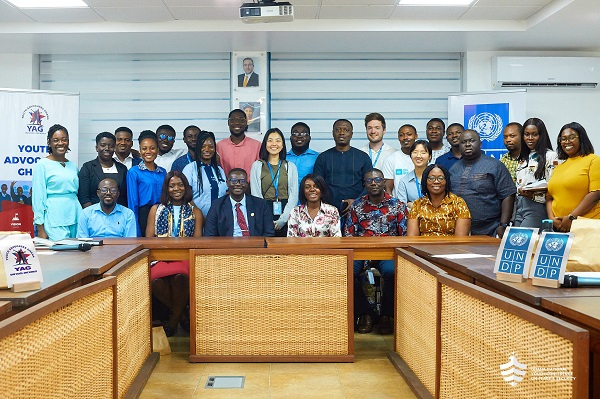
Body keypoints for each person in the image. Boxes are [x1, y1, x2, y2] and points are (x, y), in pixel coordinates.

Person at [344, 168, 408, 334]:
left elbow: (405, 235)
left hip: (389, 253)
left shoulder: (397, 206)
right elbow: (348, 235)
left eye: (378, 180)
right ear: (364, 184)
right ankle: (365, 313)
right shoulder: (357, 206)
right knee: (347, 271)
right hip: (360, 252)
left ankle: (386, 315)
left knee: (392, 272)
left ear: (384, 182)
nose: (374, 183)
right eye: (369, 181)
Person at [146, 171, 203, 337]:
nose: (176, 188)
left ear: (186, 188)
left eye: (180, 185)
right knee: (155, 281)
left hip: (185, 257)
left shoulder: (195, 212)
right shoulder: (156, 210)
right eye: (172, 186)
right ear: (166, 189)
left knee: (180, 278)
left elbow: (197, 242)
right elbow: (149, 239)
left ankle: (172, 321)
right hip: (161, 258)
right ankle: (182, 316)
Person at [449, 130, 516, 237]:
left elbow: (508, 195)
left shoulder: (495, 165)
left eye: (472, 141)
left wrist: (503, 224)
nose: (467, 144)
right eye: (463, 142)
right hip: (458, 229)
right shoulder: (453, 169)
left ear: (480, 144)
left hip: (490, 229)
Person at [547, 122, 600, 232]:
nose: (567, 142)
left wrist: (572, 217)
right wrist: (552, 218)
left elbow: (595, 194)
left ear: (581, 139)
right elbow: (549, 197)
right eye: (563, 139)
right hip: (560, 227)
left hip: (586, 226)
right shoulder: (559, 167)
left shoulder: (593, 160)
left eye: (572, 137)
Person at [32, 124, 82, 241]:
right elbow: (38, 197)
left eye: (64, 140)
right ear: (49, 142)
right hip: (54, 216)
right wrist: (40, 227)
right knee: (60, 254)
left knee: (76, 255)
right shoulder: (42, 165)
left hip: (75, 214)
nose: (61, 143)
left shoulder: (72, 166)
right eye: (56, 140)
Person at [313, 119, 372, 216]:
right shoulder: (323, 157)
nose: (342, 133)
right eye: (338, 130)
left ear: (351, 134)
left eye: (346, 130)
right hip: (328, 212)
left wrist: (356, 202)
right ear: (333, 133)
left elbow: (369, 184)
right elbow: (317, 185)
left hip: (358, 210)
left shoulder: (363, 157)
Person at [250, 128, 298, 236]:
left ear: (282, 145)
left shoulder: (290, 166)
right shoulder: (257, 165)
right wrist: (266, 219)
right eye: (270, 140)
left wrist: (283, 220)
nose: (274, 144)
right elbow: (256, 194)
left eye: (278, 140)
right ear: (265, 144)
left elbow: (294, 196)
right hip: (263, 210)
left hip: (286, 211)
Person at [514, 118, 558, 229]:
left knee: (523, 241)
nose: (530, 138)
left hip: (537, 206)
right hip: (520, 206)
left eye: (534, 134)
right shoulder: (523, 158)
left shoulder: (550, 156)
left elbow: (553, 187)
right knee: (515, 242)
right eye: (526, 134)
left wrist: (533, 193)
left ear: (541, 136)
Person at [204, 168, 274, 237]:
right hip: (227, 246)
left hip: (254, 246)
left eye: (242, 181)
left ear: (247, 184)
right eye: (234, 181)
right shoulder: (217, 205)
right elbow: (210, 235)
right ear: (227, 183)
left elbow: (269, 232)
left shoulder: (261, 204)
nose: (238, 184)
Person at [407, 164, 471, 236]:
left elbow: (460, 239)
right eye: (431, 178)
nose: (436, 181)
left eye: (441, 178)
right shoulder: (417, 204)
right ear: (425, 181)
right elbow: (412, 238)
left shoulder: (458, 203)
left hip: (451, 246)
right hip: (422, 246)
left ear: (446, 181)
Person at [127, 130, 167, 237]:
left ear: (157, 150)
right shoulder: (134, 172)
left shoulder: (163, 172)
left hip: (162, 213)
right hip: (143, 214)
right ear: (140, 150)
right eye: (144, 148)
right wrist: (136, 230)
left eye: (152, 148)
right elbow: (133, 204)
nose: (148, 151)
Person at [182, 130, 227, 218]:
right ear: (198, 148)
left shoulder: (219, 170)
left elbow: (225, 195)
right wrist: (200, 218)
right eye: (203, 146)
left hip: (219, 221)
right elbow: (186, 197)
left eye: (211, 146)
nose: (207, 150)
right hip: (196, 221)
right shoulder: (190, 169)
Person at [78, 131, 128, 208]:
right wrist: (93, 215)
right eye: (103, 145)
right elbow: (84, 197)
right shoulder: (88, 168)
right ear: (96, 148)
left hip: (119, 215)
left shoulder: (122, 169)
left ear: (114, 148)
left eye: (110, 146)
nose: (107, 148)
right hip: (94, 215)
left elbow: (125, 196)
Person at [216, 109, 262, 176]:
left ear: (246, 122)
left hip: (250, 186)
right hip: (226, 186)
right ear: (228, 122)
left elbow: (259, 171)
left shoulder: (257, 146)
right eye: (233, 119)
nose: (237, 123)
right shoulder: (219, 146)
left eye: (241, 120)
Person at [382, 124, 418, 196]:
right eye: (401, 135)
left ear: (416, 136)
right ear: (398, 138)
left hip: (420, 204)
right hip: (398, 205)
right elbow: (388, 188)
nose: (405, 137)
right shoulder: (391, 159)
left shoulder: (422, 158)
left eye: (409, 134)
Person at [396, 140, 432, 208]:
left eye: (423, 153)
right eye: (415, 152)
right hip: (412, 218)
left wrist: (412, 205)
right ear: (411, 155)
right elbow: (402, 208)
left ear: (429, 156)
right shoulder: (404, 181)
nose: (418, 156)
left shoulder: (436, 178)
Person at [286, 122, 319, 192]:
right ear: (290, 138)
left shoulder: (318, 158)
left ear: (309, 138)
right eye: (295, 133)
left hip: (309, 200)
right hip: (286, 200)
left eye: (304, 133)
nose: (299, 136)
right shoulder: (283, 158)